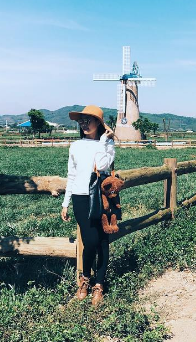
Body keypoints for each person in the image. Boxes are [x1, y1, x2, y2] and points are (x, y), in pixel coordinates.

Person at [60, 105, 115, 305]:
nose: (84, 124)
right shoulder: (75, 146)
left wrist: (103, 141)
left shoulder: (107, 144)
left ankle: (98, 284)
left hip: (101, 197)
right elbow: (72, 175)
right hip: (80, 198)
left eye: (88, 120)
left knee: (102, 241)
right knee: (90, 240)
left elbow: (101, 165)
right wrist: (66, 202)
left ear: (99, 124)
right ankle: (85, 279)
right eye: (81, 120)